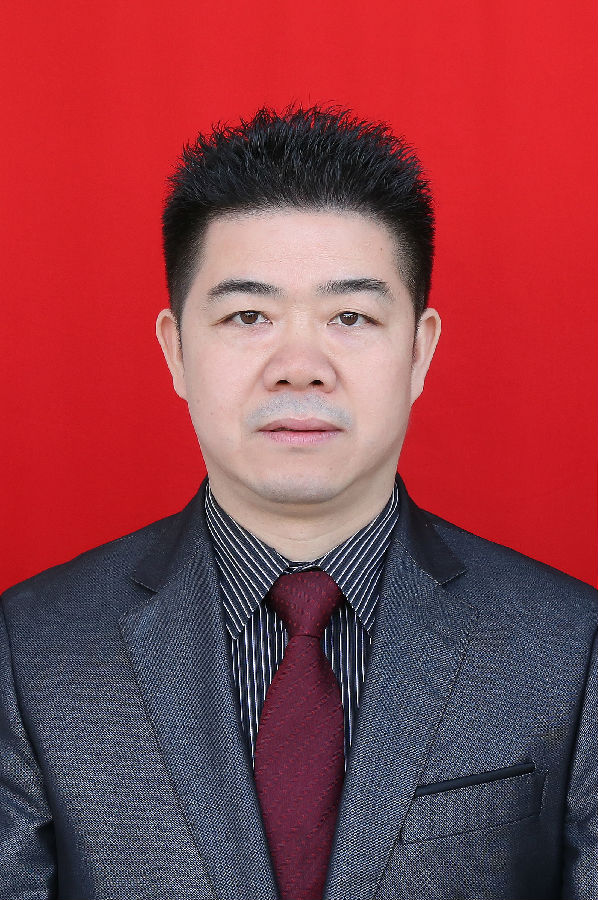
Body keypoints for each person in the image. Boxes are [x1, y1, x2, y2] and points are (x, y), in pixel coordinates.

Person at [0, 104, 596, 900]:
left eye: (351, 316)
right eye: (249, 315)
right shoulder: (30, 650)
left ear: (419, 351)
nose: (300, 365)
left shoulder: (570, 646)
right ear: (177, 351)